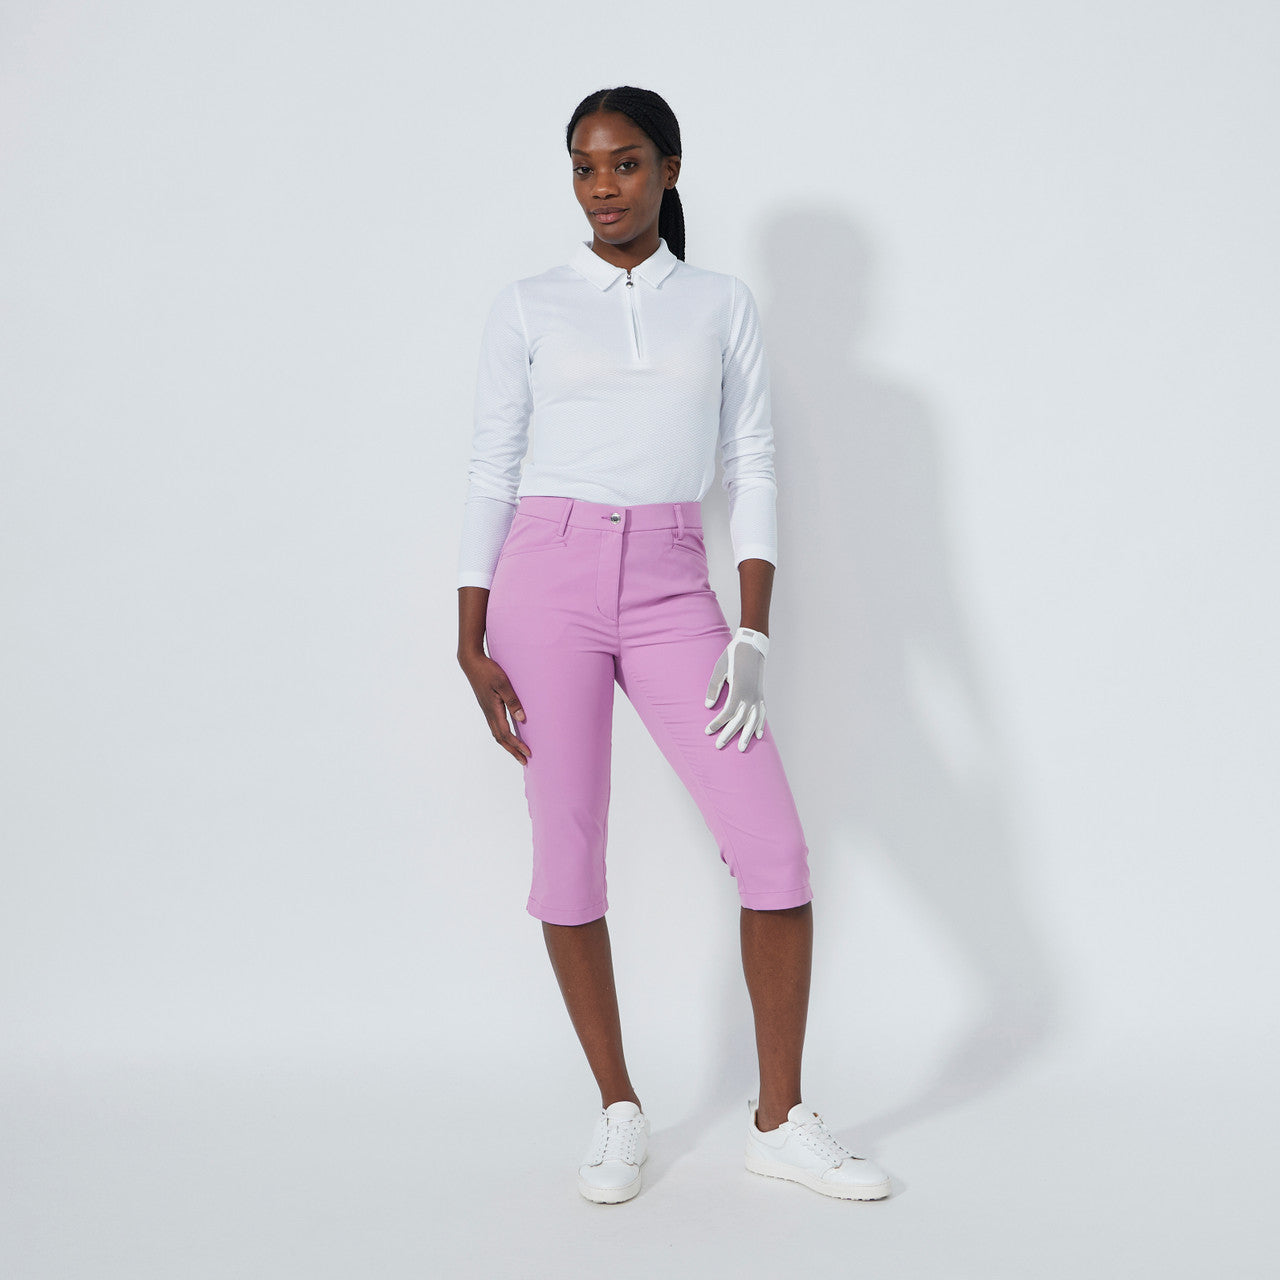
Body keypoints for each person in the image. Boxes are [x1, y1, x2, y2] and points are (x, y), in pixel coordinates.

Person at [455, 86, 891, 1205]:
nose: (603, 187)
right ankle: (617, 1106)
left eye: (625, 163)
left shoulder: (718, 303)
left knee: (774, 852)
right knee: (567, 853)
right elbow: (491, 466)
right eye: (584, 166)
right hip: (544, 579)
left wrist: (751, 625)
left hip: (669, 582)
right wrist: (470, 631)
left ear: (669, 168)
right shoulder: (529, 304)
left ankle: (779, 1119)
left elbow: (753, 461)